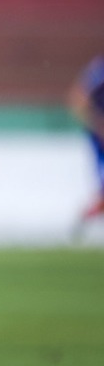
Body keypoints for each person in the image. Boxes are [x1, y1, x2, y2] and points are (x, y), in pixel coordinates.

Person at [68, 55, 104, 239]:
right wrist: (95, 122)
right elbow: (78, 99)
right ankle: (82, 223)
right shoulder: (98, 70)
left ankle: (82, 223)